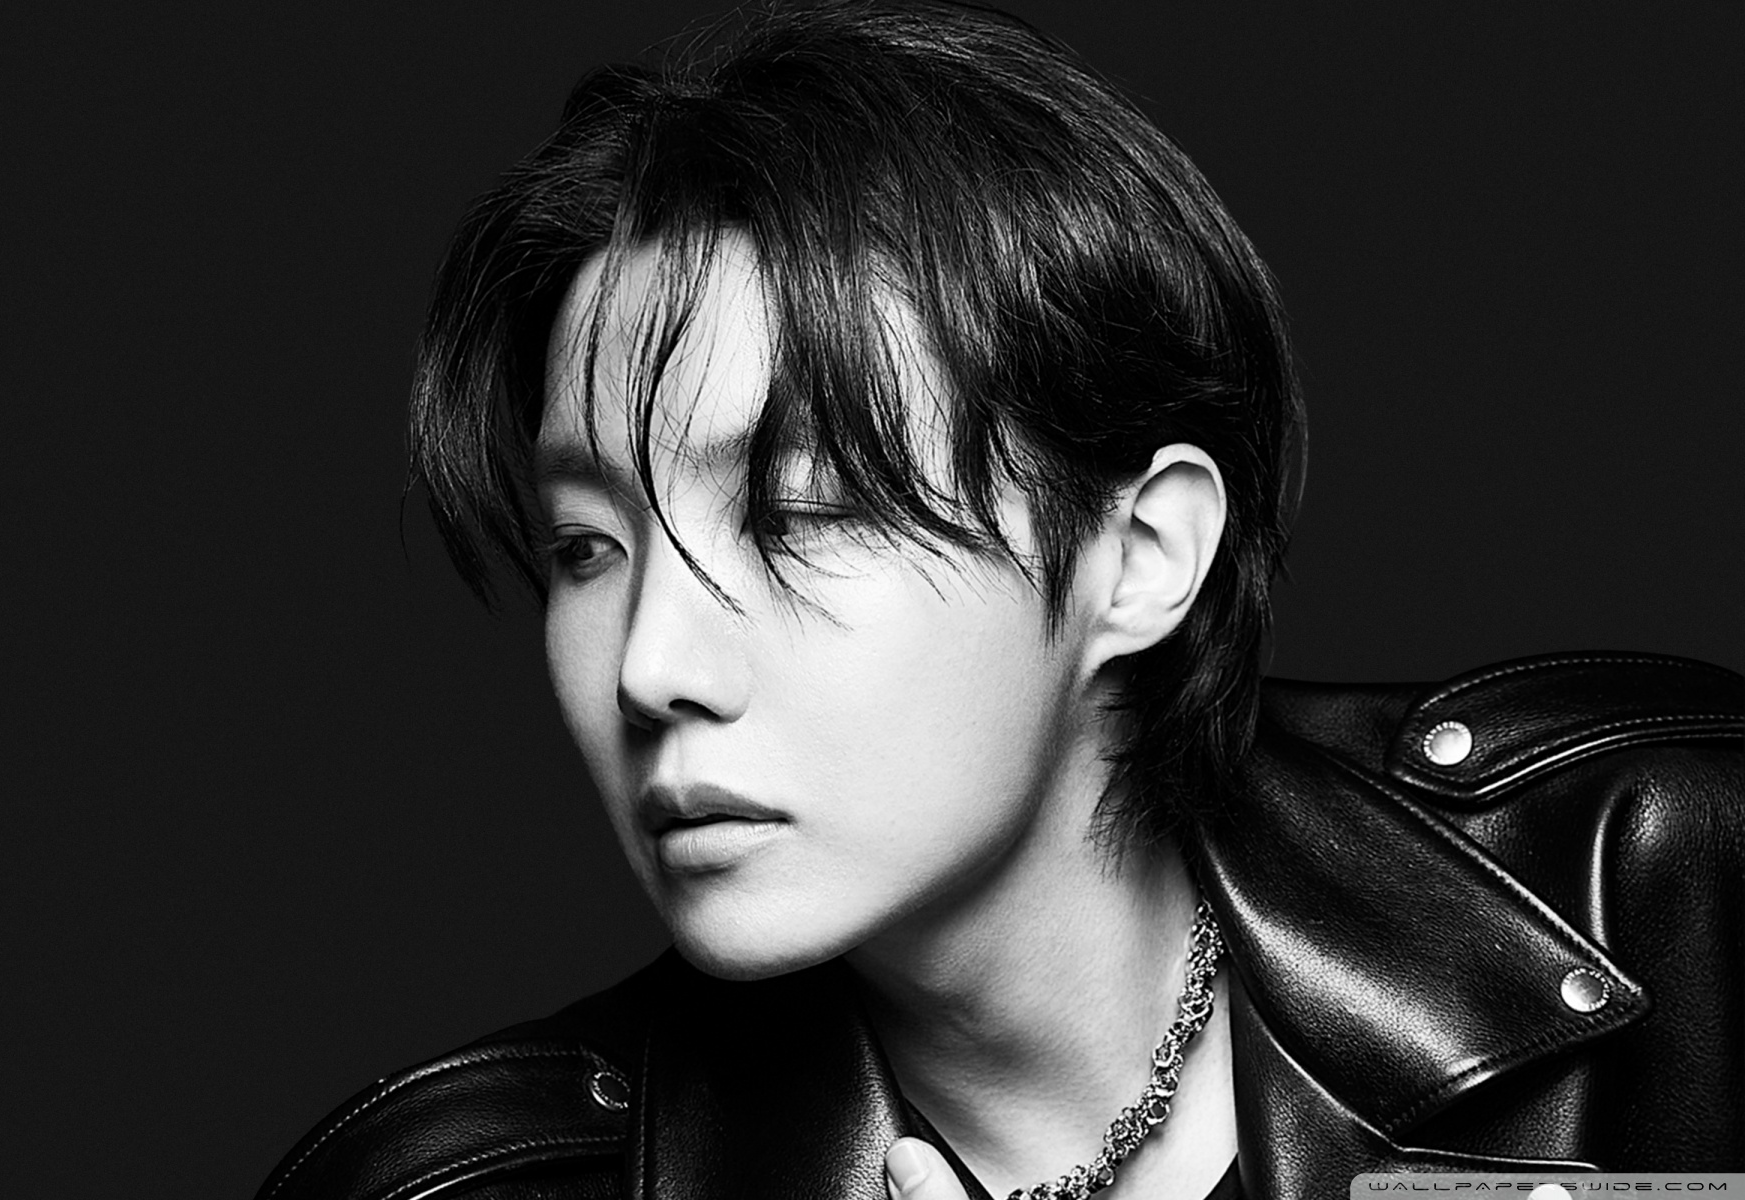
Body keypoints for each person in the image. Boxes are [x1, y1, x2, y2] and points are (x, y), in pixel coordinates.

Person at [253, 3, 1745, 1198]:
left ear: (1140, 556)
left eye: (797, 512)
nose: (651, 665)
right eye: (591, 547)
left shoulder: (1658, 882)